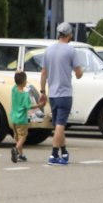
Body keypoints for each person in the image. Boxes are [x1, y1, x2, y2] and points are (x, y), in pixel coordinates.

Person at [39, 22, 82, 166]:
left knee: (58, 124)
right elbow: (79, 73)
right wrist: (79, 72)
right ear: (69, 35)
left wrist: (42, 91)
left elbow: (43, 73)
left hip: (53, 94)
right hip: (65, 93)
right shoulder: (71, 50)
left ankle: (64, 152)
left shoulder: (49, 50)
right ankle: (53, 154)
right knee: (60, 125)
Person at [9, 70, 33, 163]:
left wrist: (17, 73)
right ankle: (16, 149)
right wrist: (39, 105)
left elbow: (16, 81)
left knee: (18, 138)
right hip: (22, 120)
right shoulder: (25, 95)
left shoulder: (14, 89)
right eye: (25, 80)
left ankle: (21, 155)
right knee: (23, 137)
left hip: (13, 119)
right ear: (23, 82)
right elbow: (28, 107)